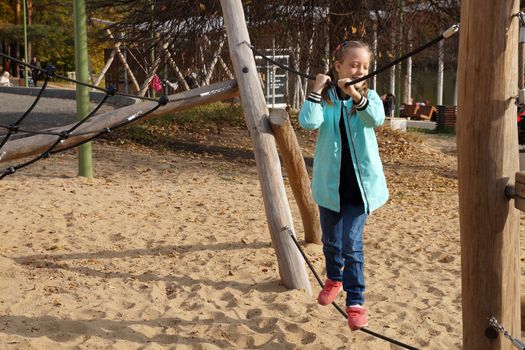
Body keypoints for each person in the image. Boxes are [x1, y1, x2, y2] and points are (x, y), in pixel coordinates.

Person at [298, 40, 388, 331]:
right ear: (338, 66)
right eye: (353, 64)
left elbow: (375, 118)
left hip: (360, 191)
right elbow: (308, 123)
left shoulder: (369, 97)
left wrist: (354, 93)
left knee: (351, 244)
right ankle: (334, 279)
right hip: (330, 187)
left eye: (364, 66)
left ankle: (356, 302)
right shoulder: (325, 98)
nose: (359, 70)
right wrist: (315, 89)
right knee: (331, 242)